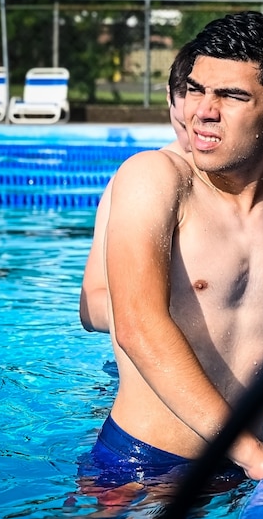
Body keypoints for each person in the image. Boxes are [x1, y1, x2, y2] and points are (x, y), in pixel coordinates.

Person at [81, 11, 263, 492]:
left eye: (232, 96)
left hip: (243, 465)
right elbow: (138, 326)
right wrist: (252, 454)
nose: (202, 110)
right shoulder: (154, 179)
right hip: (142, 465)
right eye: (198, 89)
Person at [79, 46, 193, 334]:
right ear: (170, 98)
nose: (196, 127)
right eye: (183, 122)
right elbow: (91, 305)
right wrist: (154, 318)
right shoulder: (137, 181)